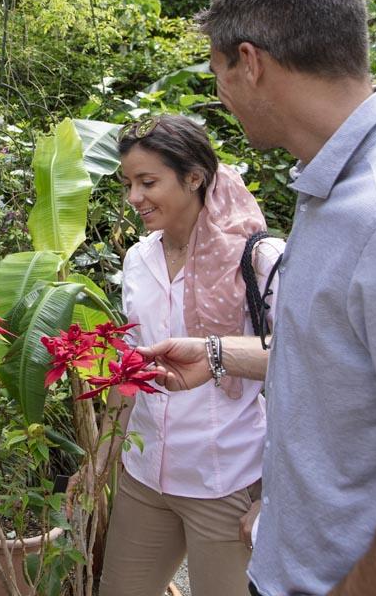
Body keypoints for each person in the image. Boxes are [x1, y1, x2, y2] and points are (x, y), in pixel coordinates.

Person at [138, 0, 376, 596]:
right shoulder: (331, 187)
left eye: (218, 71)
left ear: (251, 63)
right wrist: (216, 353)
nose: (220, 94)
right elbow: (343, 361)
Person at [97, 115, 283, 596]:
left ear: (194, 177)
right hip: (145, 477)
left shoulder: (258, 259)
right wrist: (101, 460)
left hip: (226, 479)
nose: (133, 197)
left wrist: (279, 497)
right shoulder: (139, 259)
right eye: (128, 184)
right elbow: (130, 367)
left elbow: (305, 361)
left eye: (147, 181)